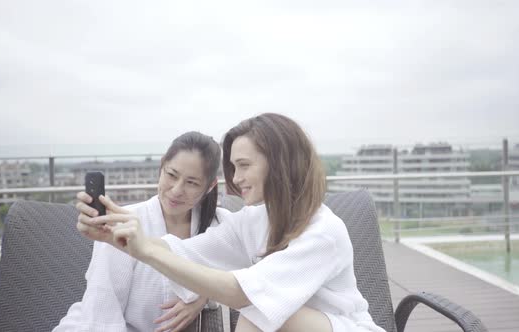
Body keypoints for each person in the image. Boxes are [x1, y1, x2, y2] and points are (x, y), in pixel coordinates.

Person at [78, 113, 385, 332]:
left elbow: (240, 293)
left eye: (243, 166)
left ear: (279, 163)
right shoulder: (253, 221)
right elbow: (187, 252)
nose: (236, 179)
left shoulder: (323, 233)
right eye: (233, 168)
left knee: (259, 310)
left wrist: (146, 250)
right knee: (261, 311)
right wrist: (122, 235)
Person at [55, 131, 223, 332]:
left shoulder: (220, 225)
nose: (177, 190)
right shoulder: (123, 224)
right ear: (161, 166)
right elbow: (102, 310)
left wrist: (203, 296)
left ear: (210, 186)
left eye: (192, 183)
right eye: (171, 175)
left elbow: (248, 276)